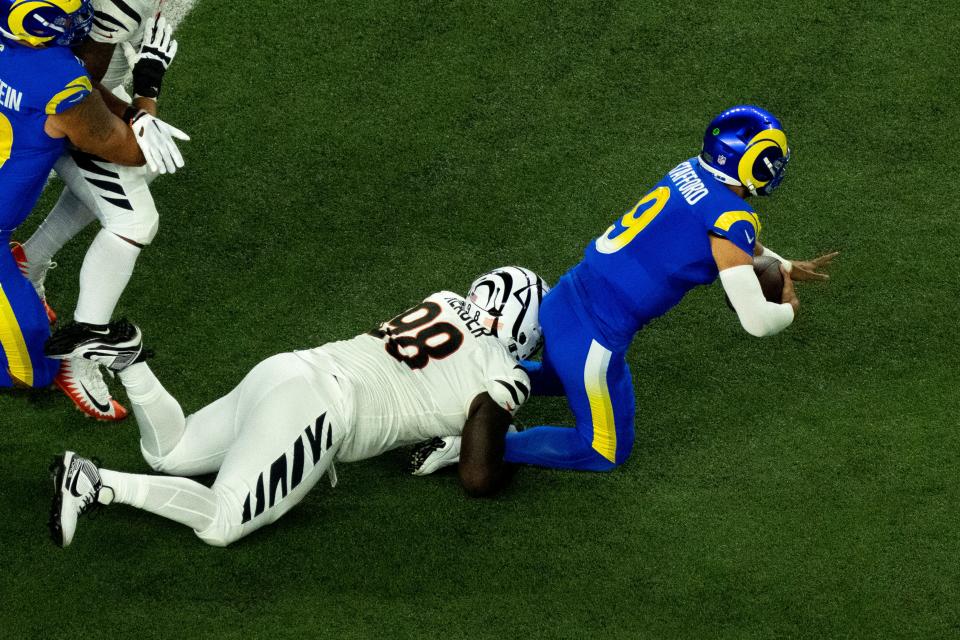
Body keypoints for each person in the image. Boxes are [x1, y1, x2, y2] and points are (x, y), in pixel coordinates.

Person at [411, 105, 838, 475]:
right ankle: (470, 446)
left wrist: (781, 264)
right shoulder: (732, 219)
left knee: (560, 378)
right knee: (603, 450)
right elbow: (757, 322)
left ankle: (458, 393)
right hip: (595, 340)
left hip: (563, 301)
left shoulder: (691, 170)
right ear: (751, 161)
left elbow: (707, 232)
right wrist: (790, 309)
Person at [49, 266, 546, 548]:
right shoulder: (505, 370)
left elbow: (426, 381)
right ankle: (96, 483)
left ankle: (130, 361)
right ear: (524, 329)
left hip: (290, 368)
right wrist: (509, 455)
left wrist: (447, 440)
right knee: (223, 521)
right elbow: (479, 476)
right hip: (322, 410)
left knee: (171, 452)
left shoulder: (442, 299)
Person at [0, 0, 186, 393]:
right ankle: (85, 343)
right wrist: (148, 85)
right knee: (33, 372)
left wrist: (133, 114)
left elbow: (88, 93)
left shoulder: (39, 61)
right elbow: (131, 151)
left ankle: (29, 262)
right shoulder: (55, 78)